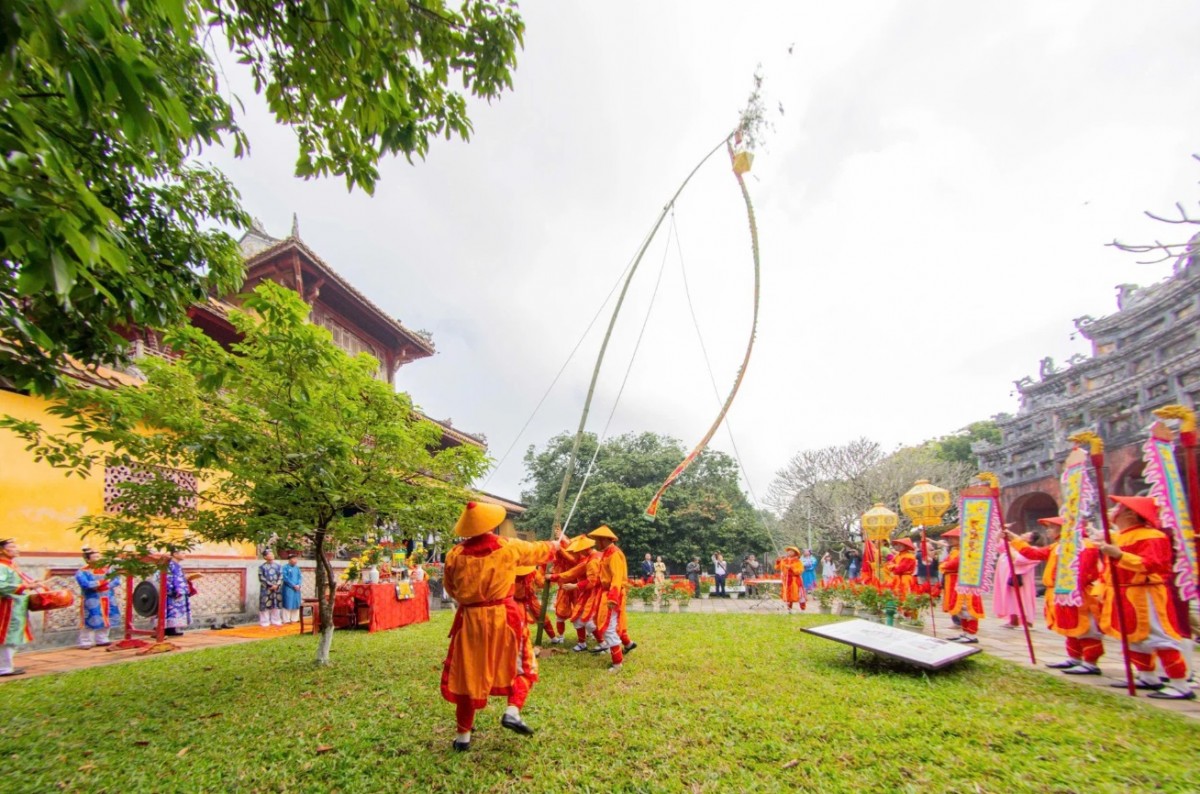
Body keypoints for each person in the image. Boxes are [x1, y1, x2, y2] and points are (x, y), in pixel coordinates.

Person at [440, 501, 561, 751]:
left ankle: (463, 738)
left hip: (469, 620)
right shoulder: (507, 547)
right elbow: (538, 551)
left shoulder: (455, 555)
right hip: (504, 617)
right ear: (492, 524)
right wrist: (556, 546)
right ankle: (513, 710)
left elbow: (450, 588)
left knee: (468, 675)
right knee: (523, 665)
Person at [1097, 495, 1193, 699]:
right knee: (1132, 638)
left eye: (1118, 508)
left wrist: (1120, 555)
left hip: (1144, 592)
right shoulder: (1121, 537)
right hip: (1123, 591)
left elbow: (1152, 565)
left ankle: (1179, 684)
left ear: (1131, 513)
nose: (1114, 511)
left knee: (1159, 637)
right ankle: (1147, 676)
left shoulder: (1152, 536)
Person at [1007, 517, 1105, 676]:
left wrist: (1074, 587)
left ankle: (1090, 662)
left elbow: (1085, 572)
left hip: (1078, 592)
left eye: (1051, 527)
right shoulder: (1058, 546)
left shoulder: (1085, 545)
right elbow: (1033, 553)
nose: (1048, 531)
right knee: (1069, 627)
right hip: (1060, 592)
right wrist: (1013, 538)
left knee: (1086, 627)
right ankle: (1074, 658)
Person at [588, 525, 635, 672]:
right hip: (607, 593)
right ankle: (627, 645)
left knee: (609, 627)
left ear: (604, 540)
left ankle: (617, 663)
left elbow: (616, 577)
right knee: (610, 625)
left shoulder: (614, 554)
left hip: (612, 594)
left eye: (598, 540)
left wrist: (612, 598)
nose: (596, 543)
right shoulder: (607, 553)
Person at [0, 538, 47, 677]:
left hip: (15, 606)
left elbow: (21, 580)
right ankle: (4, 668)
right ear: (2, 550)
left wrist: (32, 583)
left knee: (12, 636)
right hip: (6, 606)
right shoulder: (2, 566)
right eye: (13, 547)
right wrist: (25, 586)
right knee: (6, 636)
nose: (17, 549)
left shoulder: (11, 565)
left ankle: (7, 665)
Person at [937, 528, 984, 644]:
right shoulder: (954, 551)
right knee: (960, 609)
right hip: (954, 581)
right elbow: (944, 563)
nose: (949, 540)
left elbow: (952, 564)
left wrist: (944, 566)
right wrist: (944, 565)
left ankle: (971, 634)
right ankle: (965, 632)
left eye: (953, 537)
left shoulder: (967, 551)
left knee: (967, 607)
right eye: (949, 538)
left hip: (964, 582)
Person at [561, 536, 602, 652]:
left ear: (585, 550)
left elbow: (592, 581)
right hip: (585, 594)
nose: (576, 554)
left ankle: (604, 644)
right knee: (577, 618)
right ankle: (582, 643)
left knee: (588, 621)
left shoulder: (592, 560)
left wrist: (574, 586)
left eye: (578, 552)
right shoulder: (590, 558)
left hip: (594, 594)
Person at [75, 547, 120, 648]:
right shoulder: (82, 571)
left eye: (99, 556)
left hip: (108, 597)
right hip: (92, 598)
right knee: (90, 618)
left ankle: (102, 638)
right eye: (95, 557)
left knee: (107, 617)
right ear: (88, 559)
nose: (99, 559)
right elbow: (85, 584)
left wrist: (106, 585)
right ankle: (85, 641)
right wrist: (102, 583)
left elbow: (116, 580)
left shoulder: (108, 568)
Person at [993, 532, 1038, 629]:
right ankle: (1013, 621)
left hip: (1022, 580)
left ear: (1031, 539)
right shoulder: (1013, 545)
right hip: (1009, 578)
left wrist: (1011, 547)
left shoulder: (1032, 550)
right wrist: (999, 534)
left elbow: (1020, 559)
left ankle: (1026, 622)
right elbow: (1000, 546)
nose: (1023, 535)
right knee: (1010, 599)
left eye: (1027, 535)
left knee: (1023, 599)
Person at [548, 539, 583, 645]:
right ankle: (561, 635)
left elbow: (573, 560)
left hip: (575, 587)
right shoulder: (558, 558)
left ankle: (585, 638)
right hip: (563, 587)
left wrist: (561, 546)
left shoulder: (577, 554)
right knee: (560, 613)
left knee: (580, 612)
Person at [514, 565, 556, 642]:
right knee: (519, 621)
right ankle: (520, 642)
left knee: (542, 617)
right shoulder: (509, 573)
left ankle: (553, 638)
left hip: (531, 598)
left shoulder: (533, 572)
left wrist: (551, 575)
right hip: (515, 601)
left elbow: (541, 583)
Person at [164, 549, 191, 637]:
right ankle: (163, 630)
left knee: (175, 611)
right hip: (172, 592)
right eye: (182, 552)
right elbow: (167, 578)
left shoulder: (177, 565)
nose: (184, 554)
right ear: (175, 554)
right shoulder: (168, 565)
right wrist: (172, 589)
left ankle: (171, 629)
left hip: (179, 590)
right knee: (168, 610)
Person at [258, 550, 284, 627]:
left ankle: (276, 620)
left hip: (276, 588)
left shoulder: (278, 566)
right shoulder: (262, 567)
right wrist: (270, 585)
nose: (272, 555)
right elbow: (261, 578)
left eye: (272, 553)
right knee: (264, 604)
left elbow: (281, 576)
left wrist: (277, 584)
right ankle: (264, 621)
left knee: (276, 604)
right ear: (265, 557)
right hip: (266, 589)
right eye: (270, 554)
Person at [776, 546, 806, 612]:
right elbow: (778, 567)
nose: (789, 552)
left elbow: (800, 570)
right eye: (789, 551)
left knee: (799, 594)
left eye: (791, 551)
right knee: (788, 595)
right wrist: (778, 561)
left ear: (795, 553)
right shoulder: (784, 560)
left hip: (795, 581)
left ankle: (802, 609)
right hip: (787, 580)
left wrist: (791, 567)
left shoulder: (798, 561)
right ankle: (789, 609)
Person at [281, 552, 303, 624]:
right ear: (289, 560)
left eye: (296, 559)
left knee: (296, 603)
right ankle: (286, 620)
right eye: (294, 559)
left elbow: (300, 577)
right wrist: (293, 585)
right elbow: (285, 578)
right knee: (288, 603)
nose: (295, 560)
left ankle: (294, 619)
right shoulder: (285, 567)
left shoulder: (297, 568)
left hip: (297, 589)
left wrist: (298, 585)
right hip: (288, 588)